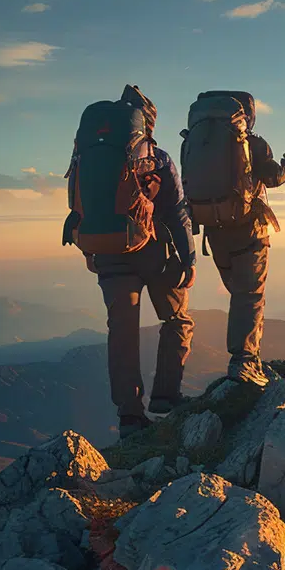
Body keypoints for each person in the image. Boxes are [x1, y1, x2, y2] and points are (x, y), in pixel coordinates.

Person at [66, 85, 196, 438]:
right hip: (151, 252)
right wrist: (188, 258)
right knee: (177, 319)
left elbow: (77, 205)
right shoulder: (158, 158)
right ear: (147, 123)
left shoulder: (87, 154)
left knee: (121, 332)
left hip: (107, 253)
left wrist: (91, 251)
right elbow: (179, 212)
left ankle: (130, 416)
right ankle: (166, 397)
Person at [190, 92, 285, 387]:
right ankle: (245, 361)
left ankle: (248, 355)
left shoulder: (199, 141)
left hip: (215, 231)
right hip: (249, 231)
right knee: (250, 295)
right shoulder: (254, 144)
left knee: (239, 293)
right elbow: (274, 177)